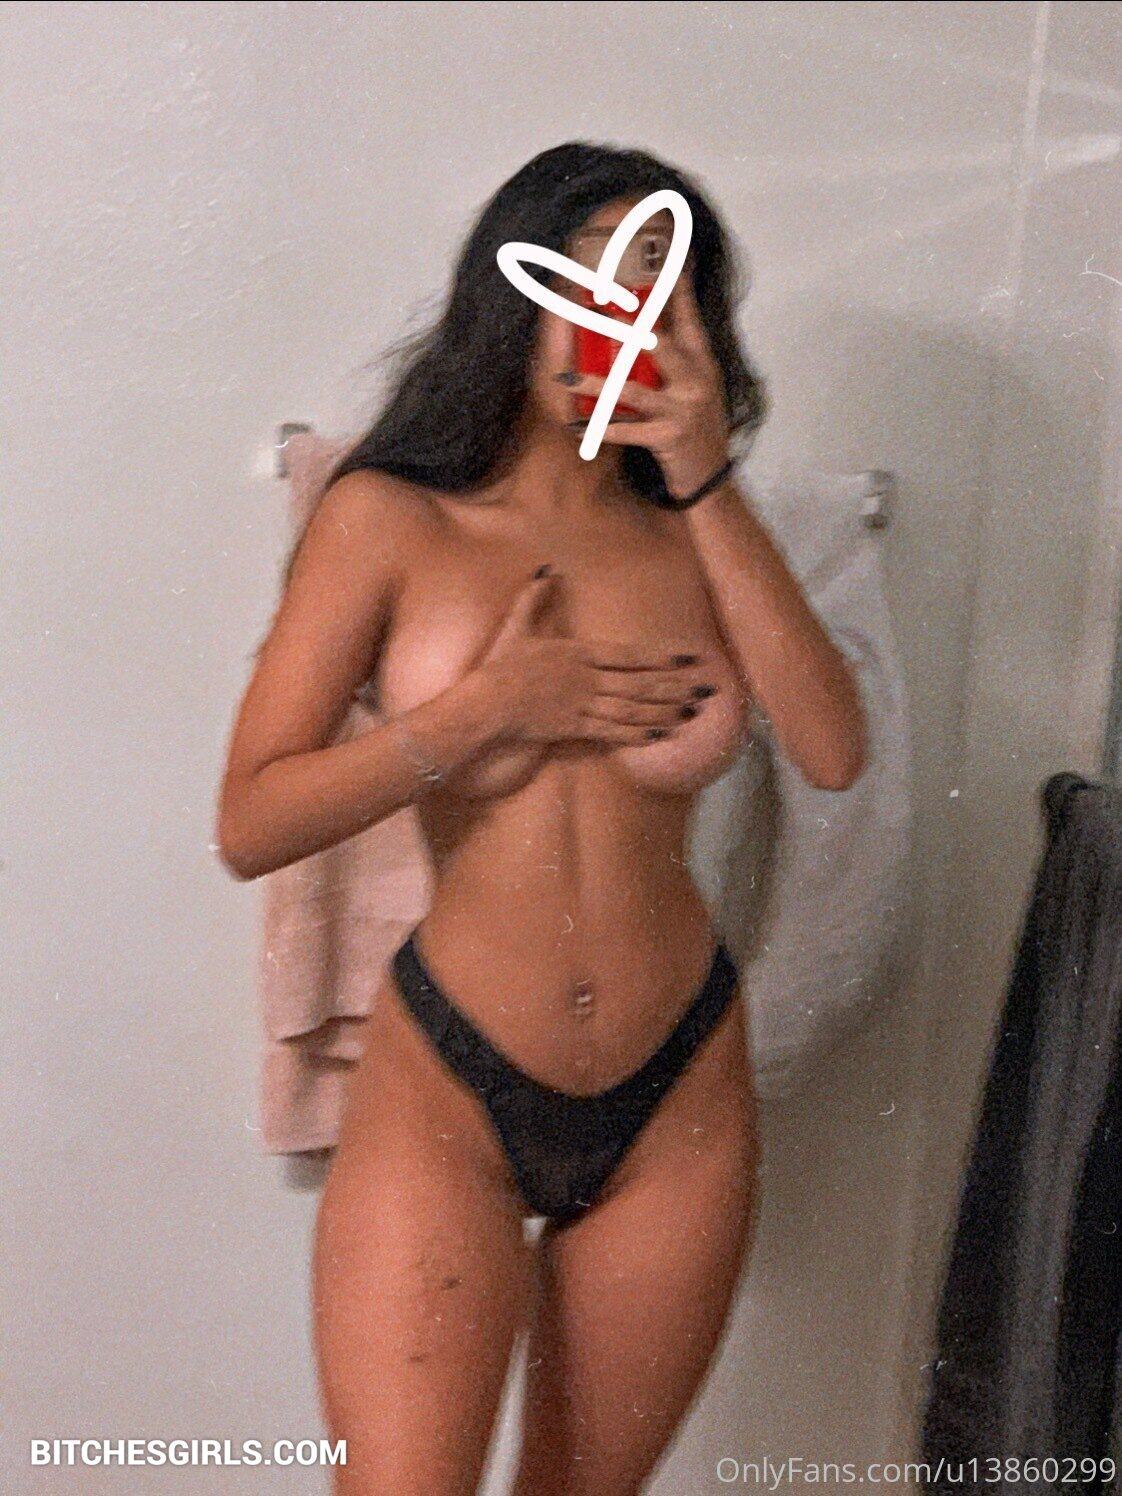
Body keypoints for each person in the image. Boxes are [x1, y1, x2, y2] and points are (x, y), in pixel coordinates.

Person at [215, 142, 867, 1495]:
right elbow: (252, 822)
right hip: (450, 1083)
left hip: (676, 1088)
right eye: (588, 279)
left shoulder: (701, 529)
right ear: (512, 298)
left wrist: (706, 480)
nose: (618, 316)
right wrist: (480, 713)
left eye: (656, 289)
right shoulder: (389, 518)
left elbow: (830, 749)